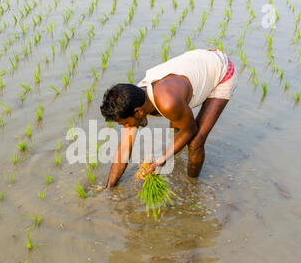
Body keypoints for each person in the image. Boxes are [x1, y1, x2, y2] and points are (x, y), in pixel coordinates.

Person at [100, 49, 238, 188]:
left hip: (221, 70)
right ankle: (181, 165)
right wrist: (109, 189)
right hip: (197, 66)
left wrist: (162, 160)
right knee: (176, 130)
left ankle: (191, 188)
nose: (127, 126)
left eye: (126, 123)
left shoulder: (168, 103)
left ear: (138, 112)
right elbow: (123, 151)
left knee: (195, 141)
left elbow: (191, 129)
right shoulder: (132, 99)